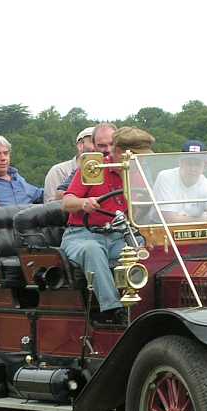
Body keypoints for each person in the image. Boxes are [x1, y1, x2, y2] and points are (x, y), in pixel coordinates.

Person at [60, 126, 154, 324]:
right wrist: (84, 203)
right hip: (82, 234)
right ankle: (112, 310)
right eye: (135, 155)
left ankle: (146, 308)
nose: (139, 160)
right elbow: (67, 202)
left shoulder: (138, 174)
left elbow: (146, 209)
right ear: (120, 153)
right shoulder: (94, 168)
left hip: (119, 234)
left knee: (141, 248)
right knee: (92, 250)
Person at [151, 140, 207, 223]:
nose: (193, 169)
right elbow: (169, 219)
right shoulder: (165, 177)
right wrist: (205, 219)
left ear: (205, 165)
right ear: (180, 163)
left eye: (197, 164)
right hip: (157, 229)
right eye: (189, 163)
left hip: (192, 231)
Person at [55, 123, 118, 197]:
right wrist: (84, 199)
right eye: (102, 145)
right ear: (94, 146)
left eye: (112, 144)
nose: (108, 149)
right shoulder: (88, 168)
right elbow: (60, 195)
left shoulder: (130, 165)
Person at [43, 126, 95, 203]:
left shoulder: (108, 170)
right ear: (80, 145)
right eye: (93, 142)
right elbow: (49, 205)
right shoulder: (59, 171)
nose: (98, 147)